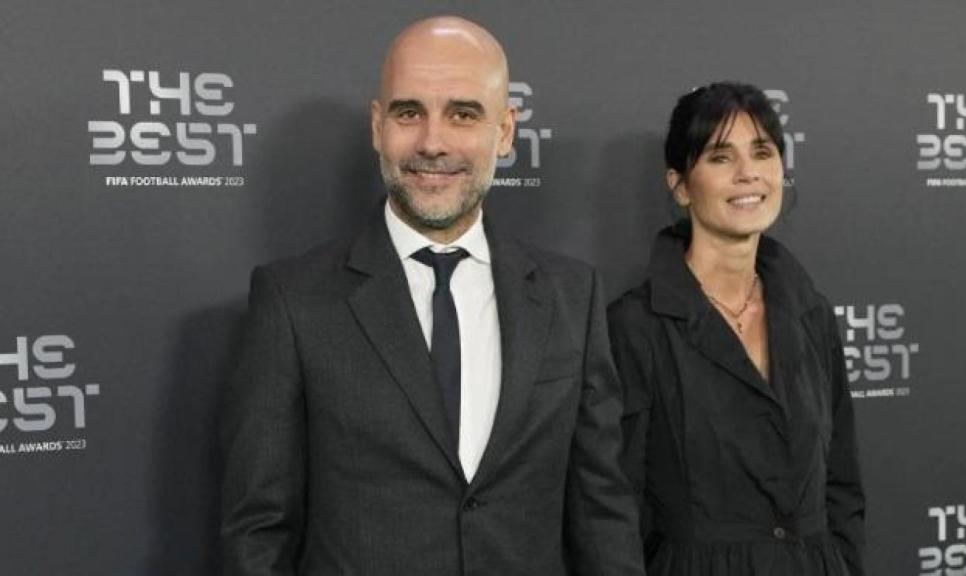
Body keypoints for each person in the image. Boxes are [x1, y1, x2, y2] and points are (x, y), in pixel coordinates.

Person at [220, 15, 644, 576]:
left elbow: (601, 513)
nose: (432, 142)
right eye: (408, 112)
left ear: (506, 131)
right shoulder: (292, 300)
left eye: (463, 113)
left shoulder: (572, 295)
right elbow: (259, 529)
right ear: (378, 127)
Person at [608, 82, 865, 575]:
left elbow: (842, 485)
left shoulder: (811, 315)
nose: (749, 174)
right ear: (680, 184)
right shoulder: (634, 326)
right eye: (721, 157)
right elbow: (615, 504)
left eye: (762, 152)